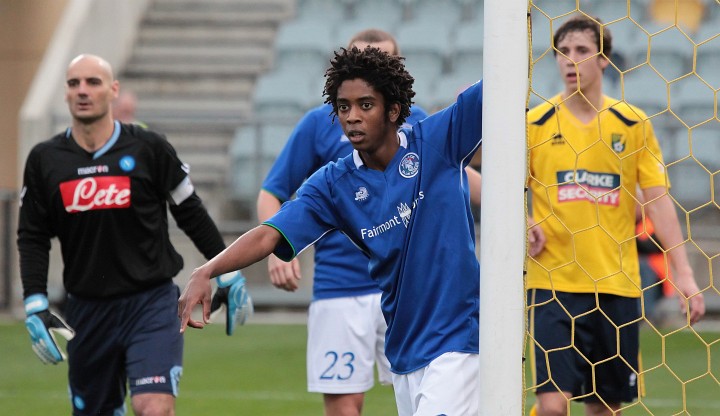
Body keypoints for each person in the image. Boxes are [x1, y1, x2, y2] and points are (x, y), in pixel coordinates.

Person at [179, 46, 483, 415]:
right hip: (405, 346)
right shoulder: (333, 183)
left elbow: (498, 83)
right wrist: (207, 269)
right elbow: (269, 233)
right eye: (343, 107)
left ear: (393, 110)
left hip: (458, 340)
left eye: (365, 105)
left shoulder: (437, 140)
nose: (352, 117)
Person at [17, 54, 251, 416]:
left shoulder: (150, 148)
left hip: (151, 304)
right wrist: (35, 302)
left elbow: (190, 212)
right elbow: (32, 235)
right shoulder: (45, 160)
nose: (82, 91)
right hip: (86, 310)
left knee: (154, 407)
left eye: (93, 82)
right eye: (73, 83)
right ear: (65, 94)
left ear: (113, 90)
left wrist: (229, 270)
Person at [526, 15, 705, 416]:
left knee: (605, 407)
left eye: (582, 51)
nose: (571, 61)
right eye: (563, 52)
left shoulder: (632, 123)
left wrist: (686, 276)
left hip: (616, 285)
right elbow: (508, 187)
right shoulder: (535, 124)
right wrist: (526, 220)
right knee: (552, 406)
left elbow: (659, 201)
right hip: (553, 283)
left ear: (604, 60)